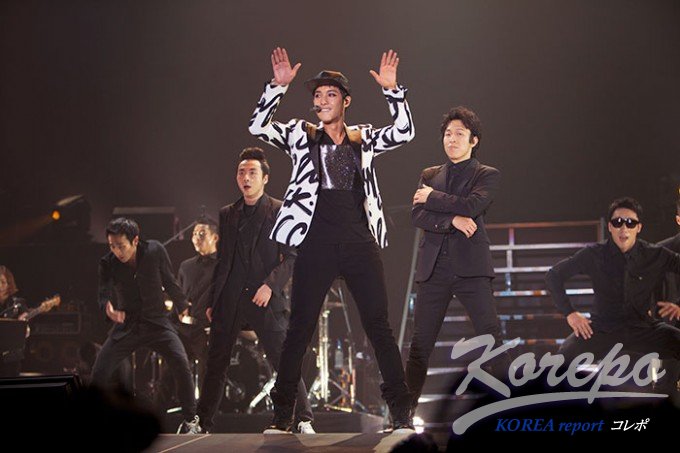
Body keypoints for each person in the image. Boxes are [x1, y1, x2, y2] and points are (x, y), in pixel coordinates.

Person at [248, 47, 415, 433]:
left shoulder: (363, 137)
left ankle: (401, 413)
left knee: (379, 327)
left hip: (359, 244)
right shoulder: (300, 134)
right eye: (318, 95)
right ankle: (283, 414)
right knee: (299, 329)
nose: (322, 101)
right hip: (315, 244)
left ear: (346, 101)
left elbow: (405, 132)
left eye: (330, 95)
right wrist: (277, 87)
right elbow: (258, 126)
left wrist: (393, 91)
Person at [196, 147, 314, 434]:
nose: (246, 178)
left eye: (252, 173)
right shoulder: (228, 213)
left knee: (283, 360)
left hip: (264, 297)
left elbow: (292, 256)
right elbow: (223, 261)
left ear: (265, 178)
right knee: (216, 363)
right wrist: (213, 299)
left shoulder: (279, 209)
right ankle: (201, 422)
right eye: (241, 173)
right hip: (230, 297)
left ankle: (303, 418)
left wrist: (270, 286)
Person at [407, 106, 506, 413]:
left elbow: (473, 205)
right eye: (448, 134)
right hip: (433, 269)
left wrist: (433, 199)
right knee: (420, 343)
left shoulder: (486, 174)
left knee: (490, 336)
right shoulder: (429, 175)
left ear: (473, 140)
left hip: (471, 269)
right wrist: (452, 220)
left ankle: (511, 404)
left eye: (459, 134)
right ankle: (403, 412)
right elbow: (417, 215)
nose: (451, 139)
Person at [545, 197, 680, 375]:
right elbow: (554, 275)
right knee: (560, 361)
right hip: (602, 328)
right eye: (618, 222)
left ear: (639, 227)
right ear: (610, 227)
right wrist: (570, 313)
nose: (624, 228)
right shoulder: (594, 254)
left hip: (643, 328)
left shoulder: (654, 254)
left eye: (630, 223)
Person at [91, 217, 199, 433]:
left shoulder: (154, 250)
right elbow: (103, 292)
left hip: (157, 322)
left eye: (121, 246)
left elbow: (169, 281)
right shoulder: (107, 262)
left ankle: (190, 420)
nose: (117, 251)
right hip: (127, 325)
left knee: (181, 362)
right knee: (99, 370)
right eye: (112, 246)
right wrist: (108, 308)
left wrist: (182, 305)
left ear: (135, 240)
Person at [175, 216, 219, 392]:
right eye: (194, 234)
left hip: (208, 331)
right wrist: (179, 309)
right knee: (170, 369)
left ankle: (205, 408)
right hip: (184, 329)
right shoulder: (185, 266)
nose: (196, 238)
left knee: (206, 374)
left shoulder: (225, 266)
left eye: (202, 234)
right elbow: (178, 295)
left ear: (215, 237)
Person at [0, 265, 28, 377]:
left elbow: (26, 330)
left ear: (9, 285)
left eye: (3, 282)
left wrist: (25, 328)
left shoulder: (18, 303)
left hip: (11, 359)